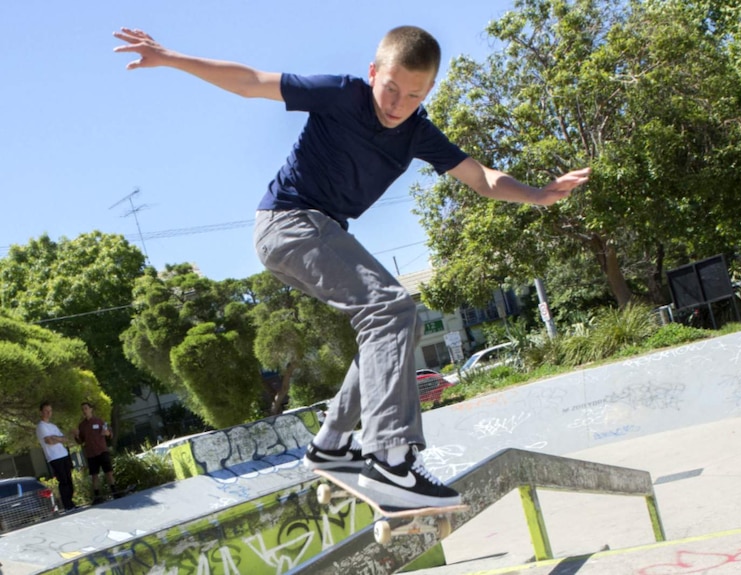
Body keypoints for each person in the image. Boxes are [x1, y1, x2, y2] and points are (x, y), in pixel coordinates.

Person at [113, 25, 590, 508]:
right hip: (290, 221)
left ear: (427, 92)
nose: (398, 103)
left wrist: (536, 194)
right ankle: (390, 458)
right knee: (391, 309)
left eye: (414, 94)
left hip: (314, 231)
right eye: (390, 87)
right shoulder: (342, 95)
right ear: (372, 73)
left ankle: (332, 444)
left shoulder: (417, 132)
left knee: (386, 323)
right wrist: (171, 57)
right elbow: (253, 81)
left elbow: (481, 177)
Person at [35, 402, 75, 511]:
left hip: (64, 454)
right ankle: (67, 505)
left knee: (69, 479)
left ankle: (71, 502)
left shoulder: (53, 426)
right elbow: (49, 441)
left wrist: (56, 438)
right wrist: (58, 439)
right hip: (54, 457)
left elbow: (64, 439)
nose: (48, 413)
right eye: (46, 411)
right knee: (63, 481)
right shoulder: (41, 426)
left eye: (50, 411)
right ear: (41, 412)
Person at [74, 402, 116, 502]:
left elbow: (109, 433)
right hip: (91, 454)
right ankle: (97, 496)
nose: (84, 411)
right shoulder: (82, 425)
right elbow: (81, 441)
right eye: (83, 409)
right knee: (94, 475)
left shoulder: (99, 421)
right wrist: (76, 436)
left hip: (102, 450)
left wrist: (108, 433)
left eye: (86, 408)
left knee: (108, 472)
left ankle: (115, 491)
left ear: (91, 409)